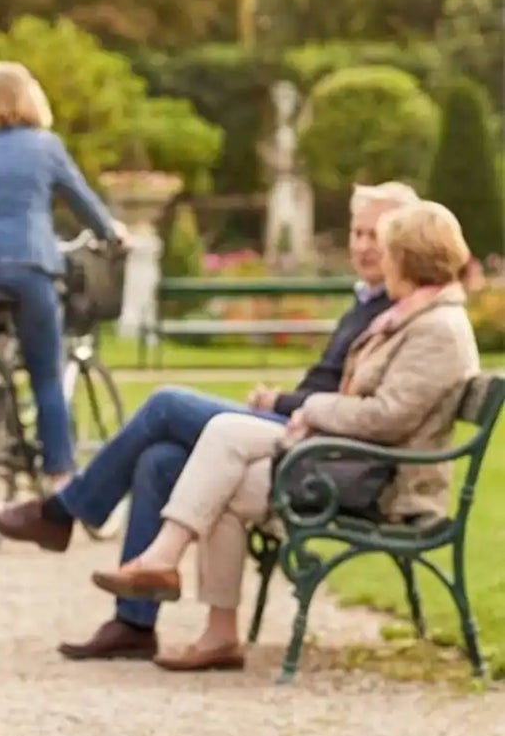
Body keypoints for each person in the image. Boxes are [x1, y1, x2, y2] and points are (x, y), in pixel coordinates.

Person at [0, 181, 420, 661]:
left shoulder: (398, 311)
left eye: (375, 235)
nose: (362, 245)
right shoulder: (370, 302)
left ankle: (61, 513)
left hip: (319, 444)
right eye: (356, 233)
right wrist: (283, 399)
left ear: (405, 242)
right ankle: (133, 622)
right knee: (160, 460)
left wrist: (285, 401)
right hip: (299, 426)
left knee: (166, 405)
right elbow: (332, 388)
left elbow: (356, 405)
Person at [96, 201, 480, 672]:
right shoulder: (414, 316)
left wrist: (310, 409)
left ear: (410, 259)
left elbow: (389, 417)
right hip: (351, 461)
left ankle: (164, 559)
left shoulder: (436, 328)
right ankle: (213, 629)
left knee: (222, 435)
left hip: (380, 481)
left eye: (390, 251)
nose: (383, 260)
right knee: (222, 470)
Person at [0, 61, 120, 483]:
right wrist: (111, 234)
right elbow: (82, 201)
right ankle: (60, 476)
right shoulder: (45, 146)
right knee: (45, 373)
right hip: (28, 264)